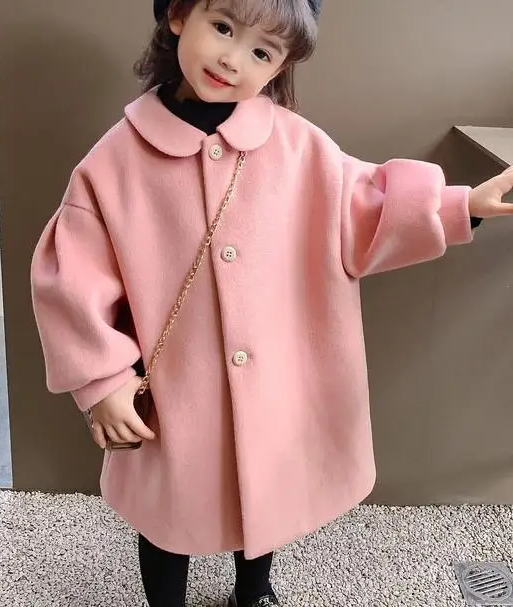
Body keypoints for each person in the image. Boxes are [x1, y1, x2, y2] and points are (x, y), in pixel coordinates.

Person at [30, 0, 513, 605]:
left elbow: (365, 205)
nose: (233, 59)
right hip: (177, 387)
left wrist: (461, 205)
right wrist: (103, 380)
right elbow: (72, 276)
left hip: (277, 380)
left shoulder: (298, 146)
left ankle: (254, 591)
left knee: (263, 491)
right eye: (222, 28)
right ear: (178, 16)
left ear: (280, 66)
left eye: (262, 51)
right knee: (166, 514)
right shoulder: (113, 163)